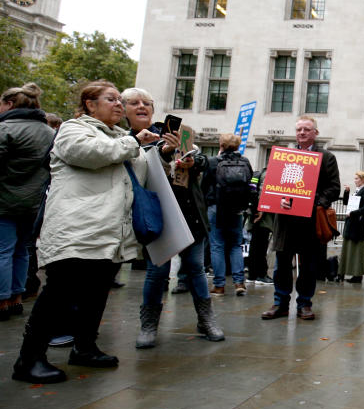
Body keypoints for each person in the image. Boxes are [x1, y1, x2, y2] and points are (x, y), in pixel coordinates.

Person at [12, 81, 157, 383]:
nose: (119, 104)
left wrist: (161, 153)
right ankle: (29, 359)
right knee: (59, 293)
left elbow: (139, 172)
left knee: (95, 293)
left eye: (120, 100)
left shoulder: (121, 137)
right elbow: (90, 153)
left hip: (109, 232)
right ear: (90, 105)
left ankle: (85, 347)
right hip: (77, 229)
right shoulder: (73, 130)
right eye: (111, 99)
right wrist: (133, 143)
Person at [120, 88, 224, 349]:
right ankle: (149, 324)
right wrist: (163, 153)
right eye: (134, 103)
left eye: (147, 102)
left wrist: (192, 161)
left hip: (189, 212)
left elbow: (200, 159)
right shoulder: (123, 140)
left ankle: (206, 319)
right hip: (156, 215)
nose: (142, 106)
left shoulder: (173, 131)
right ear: (124, 110)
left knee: (196, 269)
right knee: (157, 272)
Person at [261, 116, 340, 321]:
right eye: (299, 130)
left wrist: (313, 203)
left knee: (308, 266)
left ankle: (304, 303)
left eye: (306, 129)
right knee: (282, 265)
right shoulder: (284, 156)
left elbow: (334, 188)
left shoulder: (327, 157)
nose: (302, 133)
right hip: (285, 221)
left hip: (311, 221)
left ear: (315, 133)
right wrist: (280, 199)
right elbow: (272, 185)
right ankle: (280, 303)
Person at [0, 83, 54, 322]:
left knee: (3, 250)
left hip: (4, 200)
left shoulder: (5, 128)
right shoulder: (49, 132)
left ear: (10, 104)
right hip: (34, 202)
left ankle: (2, 300)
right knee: (23, 250)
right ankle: (16, 297)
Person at [203, 133, 253, 296]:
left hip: (216, 207)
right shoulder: (244, 162)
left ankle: (219, 285)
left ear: (221, 145)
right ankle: (239, 282)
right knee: (235, 245)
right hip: (236, 209)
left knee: (217, 245)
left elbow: (204, 184)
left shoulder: (212, 162)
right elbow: (250, 181)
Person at [339, 171, 364, 284]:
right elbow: (346, 203)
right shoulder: (358, 191)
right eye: (355, 178)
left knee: (356, 249)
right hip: (352, 223)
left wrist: (353, 213)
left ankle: (357, 275)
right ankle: (352, 274)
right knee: (350, 248)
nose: (355, 180)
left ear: (363, 179)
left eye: (357, 179)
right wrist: (347, 192)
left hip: (358, 225)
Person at [246, 167, 275, 285]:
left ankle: (252, 274)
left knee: (255, 245)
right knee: (261, 246)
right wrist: (261, 209)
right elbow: (264, 192)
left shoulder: (261, 172)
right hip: (263, 216)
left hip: (254, 213)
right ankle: (261, 275)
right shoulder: (270, 174)